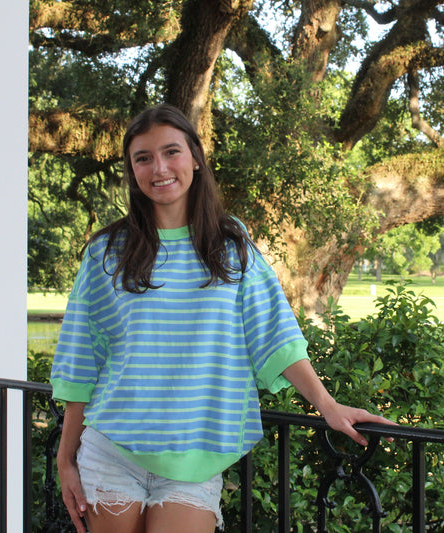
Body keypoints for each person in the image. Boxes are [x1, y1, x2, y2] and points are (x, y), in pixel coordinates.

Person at [50, 104, 394, 533]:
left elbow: (274, 333)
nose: (159, 168)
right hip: (111, 450)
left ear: (195, 156)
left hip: (197, 455)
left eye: (171, 152)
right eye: (143, 158)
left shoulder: (230, 244)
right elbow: (81, 359)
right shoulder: (108, 251)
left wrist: (327, 405)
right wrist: (66, 459)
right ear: (132, 170)